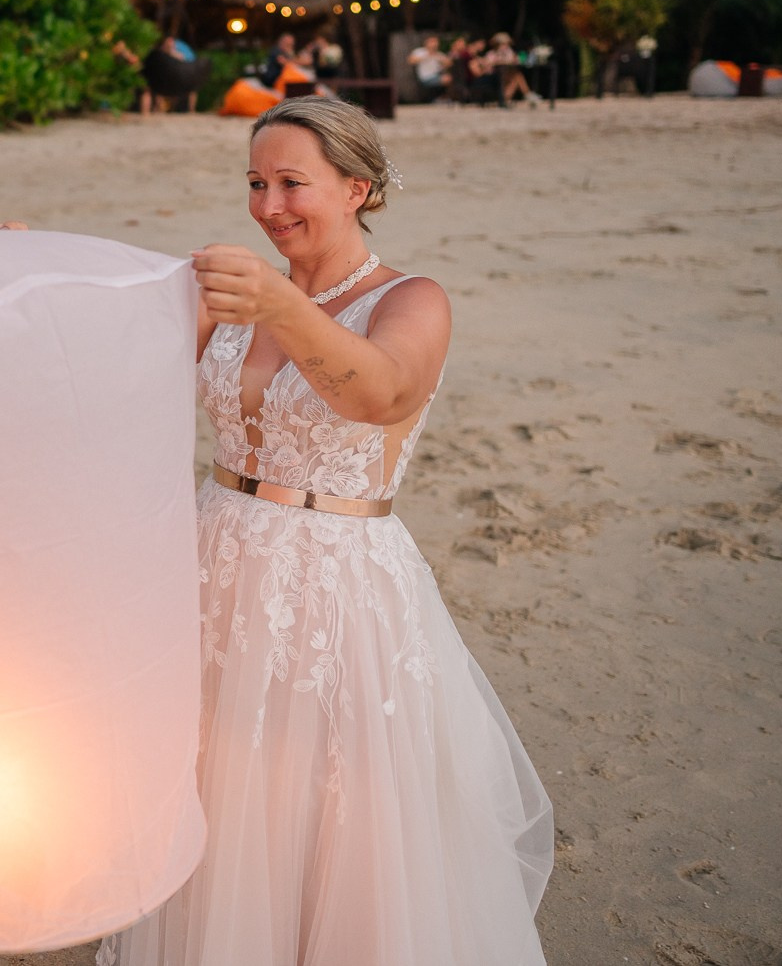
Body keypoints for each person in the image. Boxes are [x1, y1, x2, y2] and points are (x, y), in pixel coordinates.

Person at [97, 96, 552, 966]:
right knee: (218, 781)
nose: (270, 207)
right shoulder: (231, 295)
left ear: (358, 187)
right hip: (212, 557)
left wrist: (277, 302)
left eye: (292, 183)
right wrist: (12, 261)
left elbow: (378, 392)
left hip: (333, 575)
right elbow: (112, 356)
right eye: (257, 183)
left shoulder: (411, 299)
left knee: (327, 793)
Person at [490, 30, 535, 105]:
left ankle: (506, 99)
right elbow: (489, 64)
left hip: (507, 75)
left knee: (516, 77)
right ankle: (527, 94)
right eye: (504, 44)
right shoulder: (492, 53)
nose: (506, 45)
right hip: (495, 75)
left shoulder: (509, 51)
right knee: (517, 76)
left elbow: (515, 59)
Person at [408, 33, 453, 102]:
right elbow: (410, 60)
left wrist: (439, 59)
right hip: (425, 77)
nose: (434, 44)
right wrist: (427, 56)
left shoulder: (438, 54)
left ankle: (443, 98)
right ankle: (440, 98)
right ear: (426, 42)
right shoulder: (420, 51)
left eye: (436, 41)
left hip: (437, 76)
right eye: (432, 42)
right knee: (446, 79)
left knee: (449, 77)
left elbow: (449, 63)